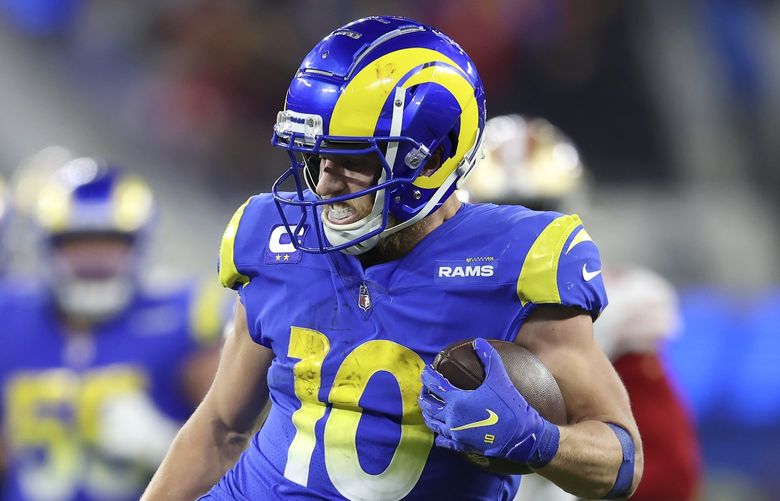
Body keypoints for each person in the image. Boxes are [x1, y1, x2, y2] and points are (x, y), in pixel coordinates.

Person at [144, 16, 643, 500]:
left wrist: (538, 440)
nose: (324, 187)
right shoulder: (271, 234)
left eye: (356, 161)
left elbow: (621, 462)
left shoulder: (520, 260)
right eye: (318, 158)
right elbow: (220, 425)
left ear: (432, 157)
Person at [463, 114, 700, 501]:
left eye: (537, 210)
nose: (523, 232)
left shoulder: (622, 308)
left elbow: (668, 474)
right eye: (501, 209)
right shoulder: (422, 294)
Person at [0, 158, 223, 501]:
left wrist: (165, 443)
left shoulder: (186, 316)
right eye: (78, 247)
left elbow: (241, 448)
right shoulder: (10, 314)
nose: (94, 263)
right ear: (47, 249)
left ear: (138, 247)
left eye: (108, 246)